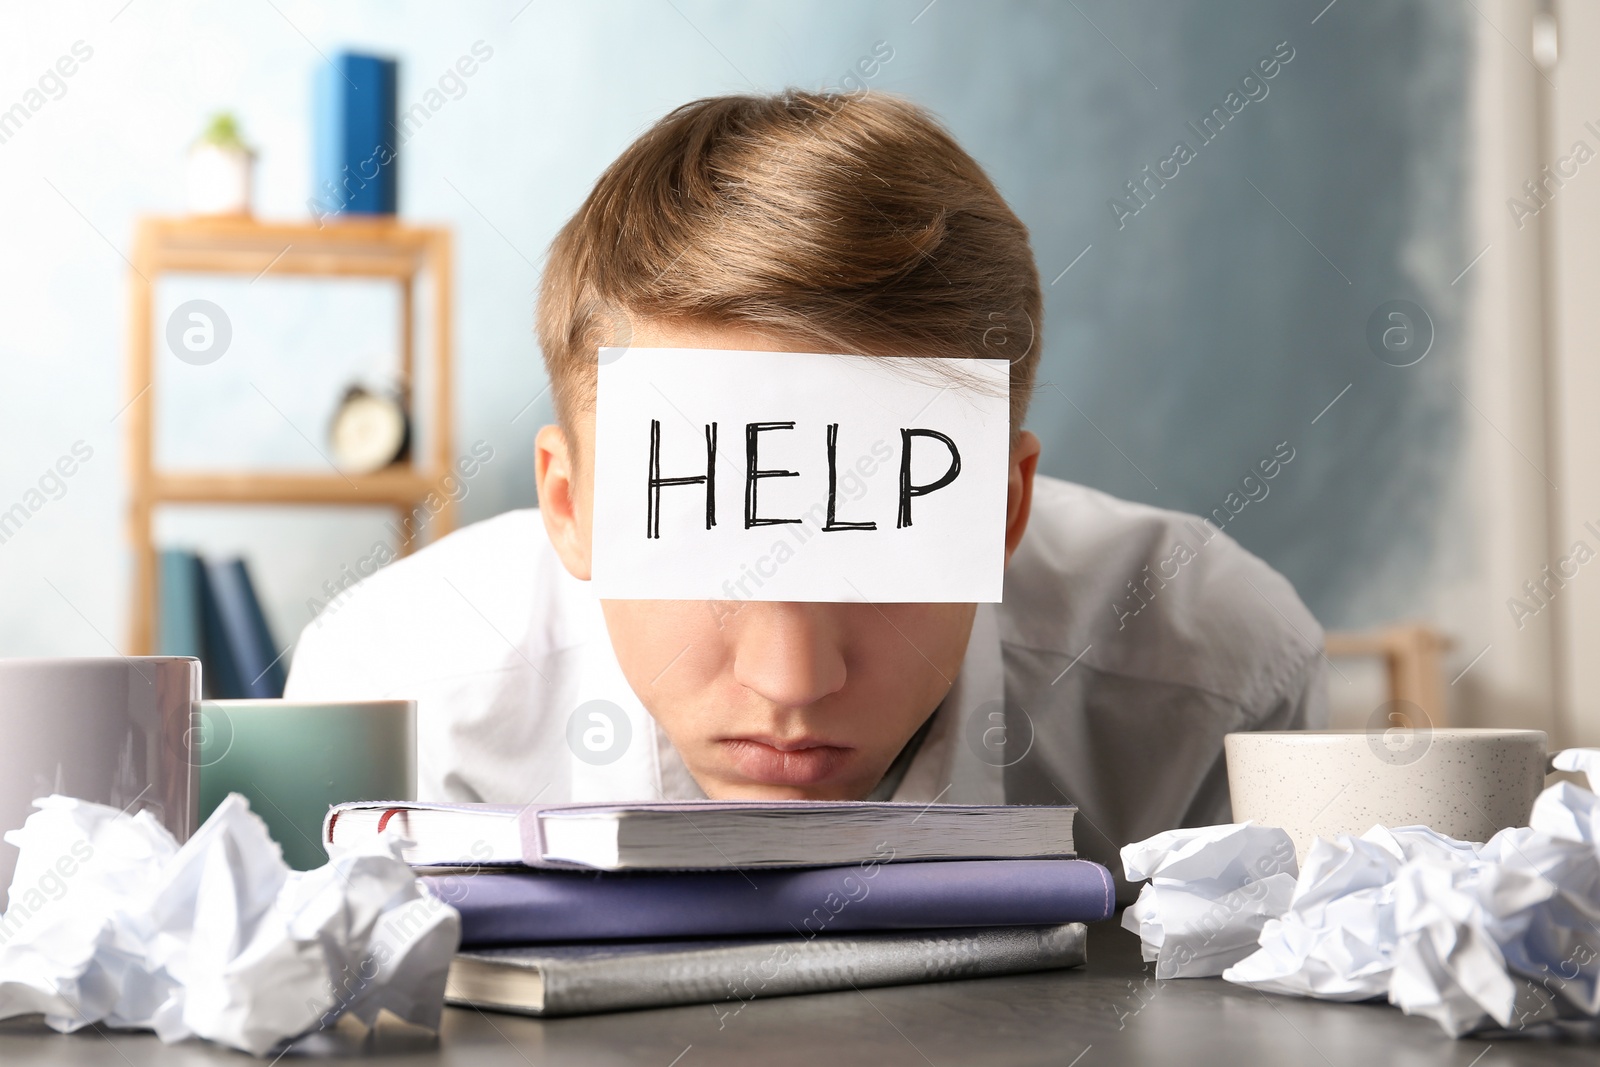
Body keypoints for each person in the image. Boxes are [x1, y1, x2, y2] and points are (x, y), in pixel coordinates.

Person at [286, 90, 1325, 893]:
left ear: (1001, 513)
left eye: (879, 540)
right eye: (703, 535)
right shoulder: (396, 700)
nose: (791, 680)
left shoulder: (1208, 676)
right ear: (571, 505)